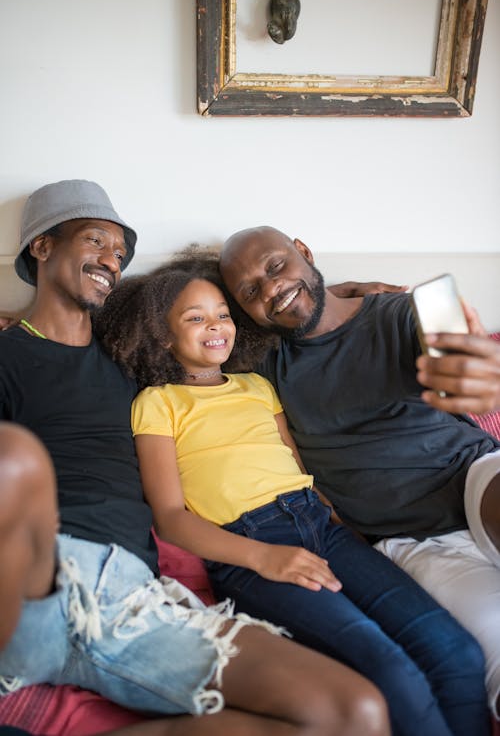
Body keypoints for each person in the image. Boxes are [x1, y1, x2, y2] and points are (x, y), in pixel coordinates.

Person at [0, 183, 392, 736]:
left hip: (131, 600)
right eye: (96, 242)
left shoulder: (132, 356)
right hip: (34, 582)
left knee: (353, 712)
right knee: (11, 460)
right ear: (41, 247)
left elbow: (225, 325)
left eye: (120, 253)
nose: (111, 261)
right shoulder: (9, 353)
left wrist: (346, 295)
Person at [93, 249, 490, 736]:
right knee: (390, 669)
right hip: (250, 546)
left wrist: (344, 533)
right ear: (163, 337)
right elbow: (173, 517)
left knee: (455, 652)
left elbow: (299, 469)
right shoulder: (158, 403)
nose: (215, 326)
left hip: (322, 527)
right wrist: (263, 557)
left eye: (222, 314)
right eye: (195, 318)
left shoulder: (258, 386)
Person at [218, 224, 500, 720]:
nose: (270, 288)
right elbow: (177, 335)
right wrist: (335, 287)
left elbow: (455, 353)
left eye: (276, 265)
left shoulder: (400, 312)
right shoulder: (261, 365)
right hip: (412, 543)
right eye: (250, 291)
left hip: (475, 479)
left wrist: (482, 375)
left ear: (303, 251)